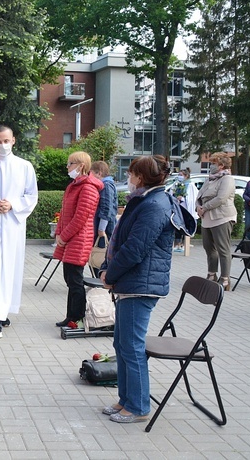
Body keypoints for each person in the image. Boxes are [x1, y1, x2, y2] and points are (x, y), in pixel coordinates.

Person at [100, 155, 196, 424]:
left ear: (140, 177)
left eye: (130, 174)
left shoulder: (155, 204)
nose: (127, 178)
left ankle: (139, 407)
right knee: (122, 344)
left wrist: (111, 273)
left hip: (140, 285)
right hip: (132, 281)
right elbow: (125, 241)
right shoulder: (146, 199)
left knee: (131, 347)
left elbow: (135, 249)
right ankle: (126, 400)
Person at [0, 125, 38, 338]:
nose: (2, 145)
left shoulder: (24, 167)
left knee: (10, 269)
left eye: (6, 141)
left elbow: (31, 196)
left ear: (13, 140)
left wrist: (12, 204)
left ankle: (2, 311)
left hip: (13, 225)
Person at [54, 151, 104, 327]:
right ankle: (71, 316)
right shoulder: (74, 185)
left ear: (81, 166)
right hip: (70, 239)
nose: (68, 167)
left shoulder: (88, 188)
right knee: (70, 279)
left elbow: (80, 218)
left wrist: (64, 236)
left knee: (75, 280)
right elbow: (65, 214)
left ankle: (77, 317)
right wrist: (59, 234)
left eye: (70, 164)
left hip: (79, 239)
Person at [196, 152, 237, 290]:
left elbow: (221, 198)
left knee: (223, 249)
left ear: (221, 165)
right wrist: (198, 207)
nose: (211, 166)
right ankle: (211, 275)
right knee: (209, 248)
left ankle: (225, 279)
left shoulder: (227, 179)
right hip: (207, 217)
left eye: (213, 163)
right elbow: (199, 194)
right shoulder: (211, 179)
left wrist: (204, 207)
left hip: (222, 217)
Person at [90, 161, 118, 275]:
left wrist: (101, 228)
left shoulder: (106, 185)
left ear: (99, 173)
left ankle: (99, 281)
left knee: (99, 254)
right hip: (103, 226)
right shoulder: (106, 184)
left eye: (91, 174)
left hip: (104, 228)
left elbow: (106, 207)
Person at [167, 167, 198, 251]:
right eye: (178, 175)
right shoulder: (176, 184)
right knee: (177, 226)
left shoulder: (190, 185)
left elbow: (192, 199)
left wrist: (183, 199)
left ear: (186, 176)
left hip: (185, 208)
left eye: (181, 175)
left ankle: (185, 244)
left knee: (185, 227)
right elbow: (171, 193)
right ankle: (177, 244)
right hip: (177, 208)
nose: (179, 177)